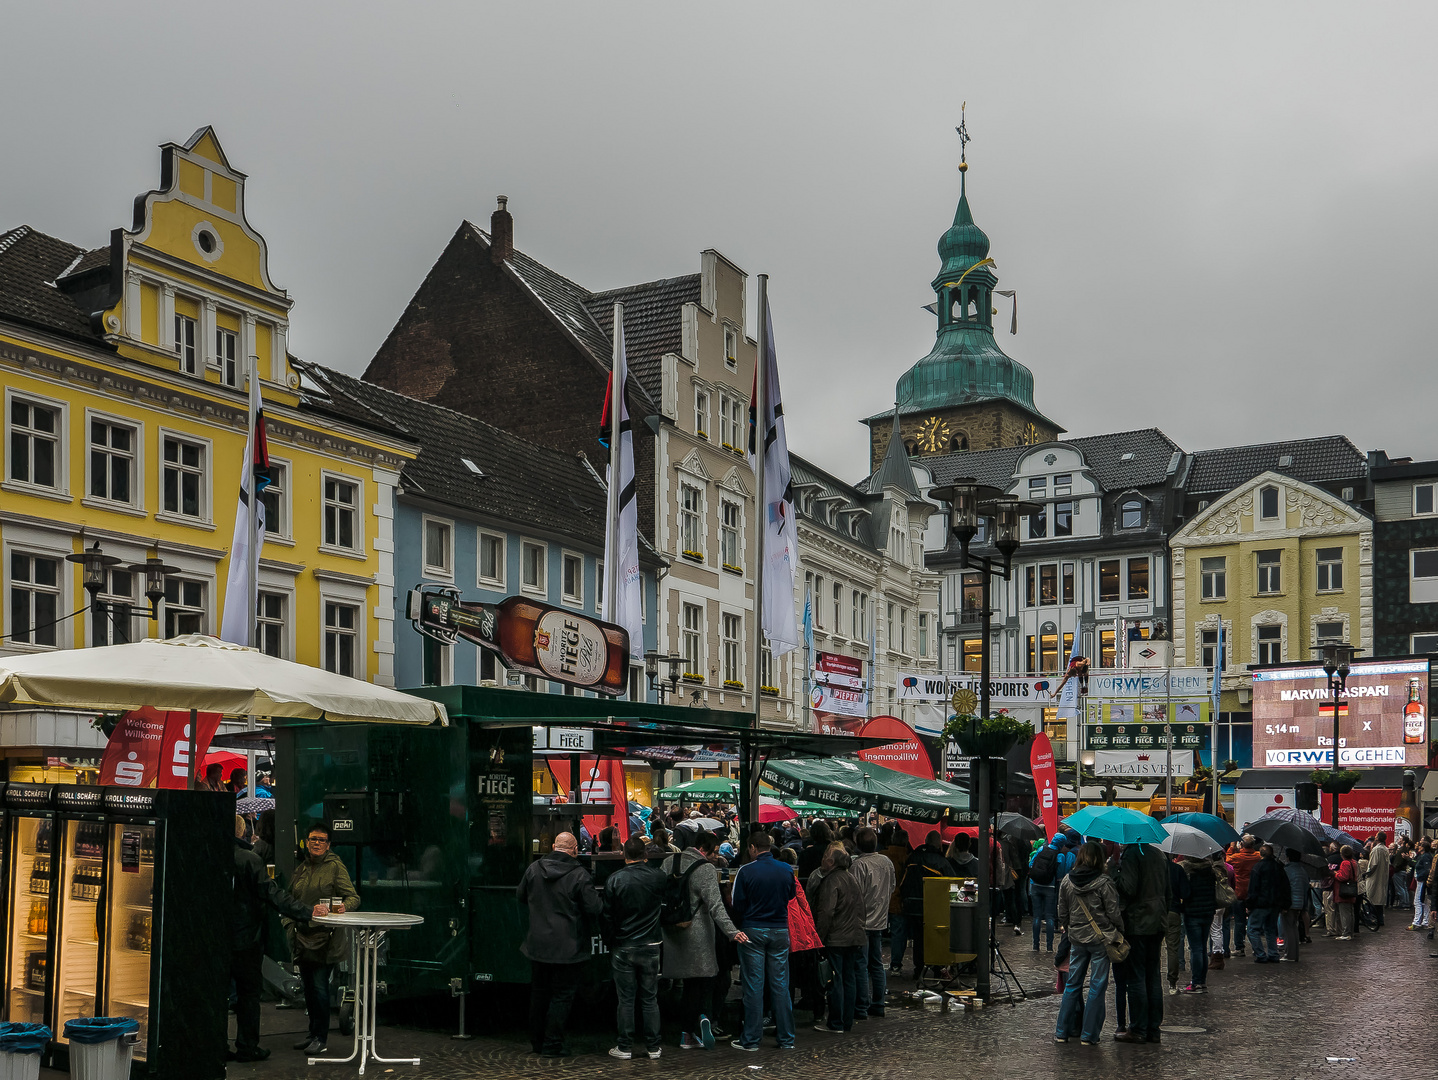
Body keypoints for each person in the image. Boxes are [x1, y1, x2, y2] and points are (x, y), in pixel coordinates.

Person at [230, 815, 324, 1063]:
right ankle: (247, 1046)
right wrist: (307, 912)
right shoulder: (249, 860)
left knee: (218, 994)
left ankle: (216, 1046)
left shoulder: (208, 856)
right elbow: (273, 895)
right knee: (249, 994)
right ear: (242, 831)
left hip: (216, 938)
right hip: (246, 938)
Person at [516, 831, 602, 1057]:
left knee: (539, 994)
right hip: (568, 946)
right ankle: (553, 1044)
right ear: (575, 849)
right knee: (562, 996)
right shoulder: (580, 875)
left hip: (537, 944)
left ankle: (537, 1042)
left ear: (554, 846)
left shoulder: (533, 869)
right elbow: (594, 908)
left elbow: (520, 896)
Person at [660, 832, 747, 1050]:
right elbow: (716, 906)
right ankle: (695, 1025)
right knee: (701, 982)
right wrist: (732, 931)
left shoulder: (668, 861)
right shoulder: (705, 869)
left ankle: (690, 1027)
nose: (715, 856)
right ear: (704, 849)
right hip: (697, 933)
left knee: (682, 984)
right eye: (714, 852)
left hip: (671, 931)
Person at [284, 824, 360, 1055]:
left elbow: (353, 897)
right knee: (308, 989)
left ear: (329, 845)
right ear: (306, 842)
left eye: (321, 840)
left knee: (319, 988)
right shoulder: (302, 868)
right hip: (302, 938)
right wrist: (288, 924)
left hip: (325, 940)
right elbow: (289, 898)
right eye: (313, 839)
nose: (316, 843)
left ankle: (322, 1038)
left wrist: (341, 908)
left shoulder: (336, 868)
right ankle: (313, 1033)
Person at [729, 832, 797, 1051]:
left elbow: (737, 903)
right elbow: (790, 896)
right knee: (780, 985)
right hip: (780, 929)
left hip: (753, 929)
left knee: (754, 986)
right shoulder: (786, 869)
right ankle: (786, 1038)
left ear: (751, 847)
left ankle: (751, 1039)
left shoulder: (746, 871)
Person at [603, 834, 667, 1060]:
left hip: (624, 944)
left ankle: (625, 1046)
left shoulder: (615, 879)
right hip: (651, 943)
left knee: (626, 999)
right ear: (646, 854)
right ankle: (653, 1046)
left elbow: (608, 915)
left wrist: (611, 939)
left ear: (623, 855)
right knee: (650, 997)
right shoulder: (658, 877)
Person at [1054, 841, 1122, 1046]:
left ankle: (1061, 1032)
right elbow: (1113, 912)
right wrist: (1119, 930)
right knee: (1097, 986)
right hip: (1101, 939)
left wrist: (1068, 926)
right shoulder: (1104, 882)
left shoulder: (1067, 880)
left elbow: (1061, 912)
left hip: (1076, 939)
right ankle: (1089, 1035)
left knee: (1073, 985)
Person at [1114, 837, 1171, 1044]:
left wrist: (1115, 873)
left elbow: (1128, 888)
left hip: (1138, 922)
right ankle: (1153, 1028)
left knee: (1136, 976)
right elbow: (1168, 891)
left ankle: (1138, 1028)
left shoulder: (1132, 854)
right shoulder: (1159, 854)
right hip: (1158, 920)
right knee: (1153, 975)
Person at [810, 844, 865, 1033]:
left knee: (835, 980)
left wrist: (818, 937)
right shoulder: (851, 879)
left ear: (831, 861)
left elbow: (826, 912)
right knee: (849, 978)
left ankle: (836, 1022)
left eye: (825, 856)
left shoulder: (831, 881)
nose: (822, 859)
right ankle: (846, 1021)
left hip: (836, 937)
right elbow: (861, 909)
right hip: (854, 937)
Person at [850, 826, 896, 1019]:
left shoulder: (858, 866)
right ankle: (878, 1003)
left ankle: (861, 1006)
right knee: (876, 963)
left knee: (861, 964)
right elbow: (892, 886)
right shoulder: (886, 862)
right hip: (879, 919)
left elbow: (853, 894)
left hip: (863, 921)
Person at [901, 832, 958, 978]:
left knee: (918, 938)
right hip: (934, 906)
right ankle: (937, 967)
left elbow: (902, 881)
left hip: (912, 904)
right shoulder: (941, 861)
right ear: (938, 844)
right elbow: (952, 882)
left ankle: (919, 968)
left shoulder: (912, 857)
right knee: (935, 937)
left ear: (925, 841)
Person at [1178, 854, 1217, 992]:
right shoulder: (1210, 872)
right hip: (1207, 912)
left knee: (1196, 949)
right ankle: (1202, 981)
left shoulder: (1188, 873)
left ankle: (1196, 982)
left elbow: (1185, 893)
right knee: (1202, 946)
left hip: (1192, 913)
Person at [1245, 843, 1287, 962]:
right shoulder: (1278, 867)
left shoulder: (1258, 868)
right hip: (1274, 903)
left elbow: (1253, 888)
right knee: (1270, 930)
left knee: (1252, 930)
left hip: (1260, 903)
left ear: (1260, 854)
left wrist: (1249, 904)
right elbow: (1284, 886)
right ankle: (1273, 954)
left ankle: (1260, 954)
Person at [1029, 834, 1070, 953]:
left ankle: (1035, 945)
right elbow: (1060, 874)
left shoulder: (1041, 849)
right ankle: (1049, 946)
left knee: (1036, 916)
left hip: (1035, 884)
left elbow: (1031, 863)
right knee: (1049, 916)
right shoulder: (1060, 856)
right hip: (1049, 887)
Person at [1228, 836, 1262, 956]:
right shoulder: (1258, 856)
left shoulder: (1237, 857)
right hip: (1254, 892)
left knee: (1239, 921)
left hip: (1239, 892)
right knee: (1254, 922)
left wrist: (1231, 847)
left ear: (1241, 845)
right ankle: (1255, 947)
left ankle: (1239, 947)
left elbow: (1226, 861)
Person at [1163, 855, 1190, 994]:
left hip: (1154, 912)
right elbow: (1185, 892)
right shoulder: (1177, 869)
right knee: (1172, 948)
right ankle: (1172, 983)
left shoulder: (1153, 868)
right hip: (1173, 911)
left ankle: (1152, 981)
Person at [1280, 848, 1309, 962]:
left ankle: (1289, 954)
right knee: (1294, 928)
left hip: (1289, 902)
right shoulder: (1302, 870)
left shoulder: (1287, 870)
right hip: (1299, 902)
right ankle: (1294, 953)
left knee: (1288, 929)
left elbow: (1284, 887)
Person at [1334, 844, 1360, 940]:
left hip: (1343, 891)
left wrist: (1335, 874)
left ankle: (1346, 933)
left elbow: (1343, 877)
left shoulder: (1345, 863)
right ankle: (1350, 932)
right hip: (1352, 889)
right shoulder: (1354, 862)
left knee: (1344, 913)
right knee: (1350, 912)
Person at [1365, 832, 1390, 928]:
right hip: (1382, 877)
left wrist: (1367, 873)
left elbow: (1373, 864)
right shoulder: (1385, 849)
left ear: (1378, 838)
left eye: (1376, 836)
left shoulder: (1377, 850)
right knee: (1379, 900)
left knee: (1372, 897)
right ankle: (1380, 919)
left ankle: (1374, 919)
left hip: (1375, 878)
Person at [1411, 839, 1432, 931]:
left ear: (1422, 847)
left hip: (1421, 881)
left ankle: (1417, 922)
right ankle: (1425, 921)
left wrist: (1420, 876)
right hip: (1422, 880)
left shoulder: (1424, 857)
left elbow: (1427, 869)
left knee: (1418, 901)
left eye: (1419, 846)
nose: (1418, 847)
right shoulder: (1425, 856)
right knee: (1425, 901)